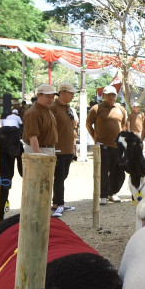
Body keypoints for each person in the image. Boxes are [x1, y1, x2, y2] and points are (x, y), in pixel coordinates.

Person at [86, 85, 128, 204]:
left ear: (116, 96)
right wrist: (95, 138)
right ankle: (103, 195)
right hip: (102, 145)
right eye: (108, 94)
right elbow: (88, 124)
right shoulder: (96, 108)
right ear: (103, 95)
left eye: (113, 94)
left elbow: (123, 126)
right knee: (103, 170)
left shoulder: (121, 109)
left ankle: (112, 193)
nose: (111, 97)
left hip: (117, 146)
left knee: (117, 170)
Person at [52, 83, 79, 217]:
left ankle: (57, 202)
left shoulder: (68, 108)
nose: (73, 95)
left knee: (63, 176)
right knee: (59, 176)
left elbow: (73, 127)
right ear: (62, 92)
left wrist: (74, 147)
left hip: (68, 148)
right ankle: (59, 204)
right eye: (70, 93)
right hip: (58, 149)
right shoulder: (53, 107)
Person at [22, 84, 58, 155]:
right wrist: (38, 156)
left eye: (52, 97)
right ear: (38, 95)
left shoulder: (47, 110)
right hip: (38, 150)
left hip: (47, 150)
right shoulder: (34, 112)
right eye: (47, 96)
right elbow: (33, 137)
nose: (50, 99)